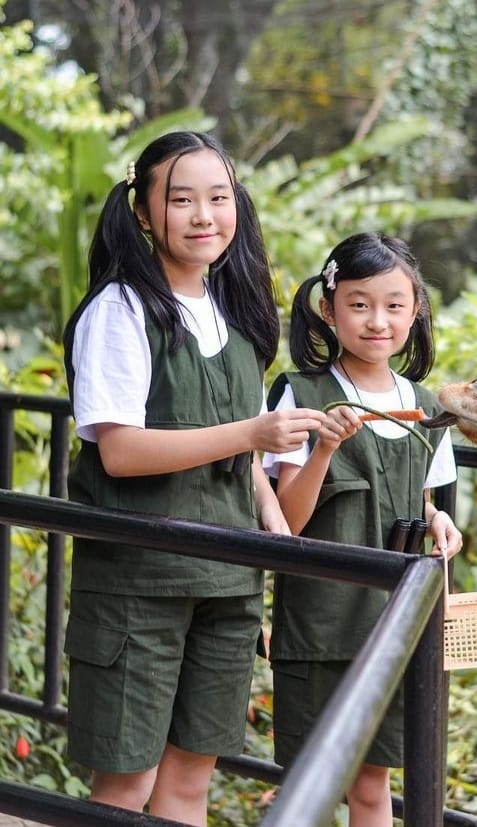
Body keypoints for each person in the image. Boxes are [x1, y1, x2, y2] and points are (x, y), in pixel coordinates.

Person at [61, 130, 326, 825]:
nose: (205, 214)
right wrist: (252, 434)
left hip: (229, 582)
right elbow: (119, 450)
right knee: (124, 787)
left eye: (219, 196)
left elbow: (245, 450)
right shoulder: (118, 311)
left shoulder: (236, 313)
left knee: (189, 781)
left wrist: (273, 523)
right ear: (144, 213)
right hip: (137, 585)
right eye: (182, 199)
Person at [262, 232, 463, 827]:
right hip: (321, 623)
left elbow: (421, 499)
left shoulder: (426, 405)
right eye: (359, 304)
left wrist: (439, 519)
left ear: (416, 309)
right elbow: (287, 522)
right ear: (328, 309)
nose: (378, 321)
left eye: (395, 305)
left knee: (374, 788)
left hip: (397, 627)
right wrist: (324, 446)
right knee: (310, 784)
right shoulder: (300, 393)